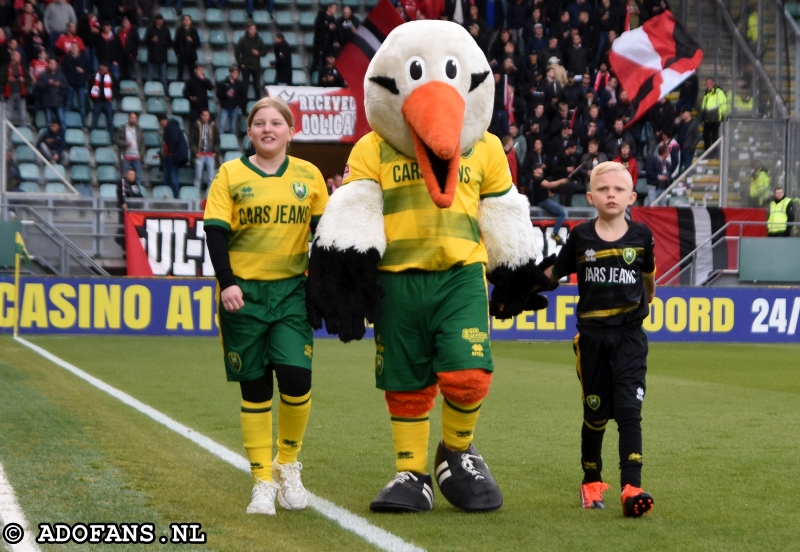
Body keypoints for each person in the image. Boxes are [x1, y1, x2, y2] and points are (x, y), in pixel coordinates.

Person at [202, 96, 329, 516]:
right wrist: (227, 283)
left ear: (291, 131)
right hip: (244, 297)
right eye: (260, 123)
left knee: (296, 379)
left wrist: (326, 287)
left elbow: (325, 236)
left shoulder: (309, 177)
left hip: (292, 293)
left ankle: (287, 464)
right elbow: (216, 232)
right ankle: (261, 481)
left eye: (276, 123)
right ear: (249, 131)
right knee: (255, 388)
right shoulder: (231, 173)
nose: (268, 129)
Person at [543, 161, 656, 518]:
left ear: (631, 197)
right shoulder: (580, 237)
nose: (611, 195)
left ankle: (631, 487)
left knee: (628, 411)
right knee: (595, 415)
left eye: (619, 190)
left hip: (629, 339)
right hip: (591, 339)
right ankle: (592, 480)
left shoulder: (641, 237)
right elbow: (553, 273)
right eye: (604, 189)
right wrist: (521, 284)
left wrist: (646, 301)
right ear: (590, 196)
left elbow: (649, 279)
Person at [529, 161, 567, 246]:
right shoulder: (537, 178)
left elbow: (543, 189)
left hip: (544, 200)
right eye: (539, 167)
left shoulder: (537, 179)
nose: (541, 168)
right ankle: (555, 233)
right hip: (543, 202)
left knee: (562, 209)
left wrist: (548, 193)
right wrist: (562, 181)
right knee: (562, 213)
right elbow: (549, 185)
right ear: (534, 170)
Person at [235, 22, 268, 100]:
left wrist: (258, 53)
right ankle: (243, 106)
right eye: (251, 29)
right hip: (246, 66)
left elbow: (264, 51)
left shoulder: (259, 40)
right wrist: (241, 64)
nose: (253, 31)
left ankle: (259, 104)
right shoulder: (243, 40)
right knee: (245, 87)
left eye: (254, 29)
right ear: (247, 29)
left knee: (257, 87)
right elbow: (236, 53)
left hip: (256, 66)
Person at [159, 114, 189, 198]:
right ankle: (166, 195)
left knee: (172, 176)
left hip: (173, 156)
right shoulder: (169, 127)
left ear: (163, 121)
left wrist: (171, 151)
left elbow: (173, 139)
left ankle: (174, 196)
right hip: (169, 155)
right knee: (167, 176)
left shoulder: (172, 126)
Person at [189, 109, 220, 191]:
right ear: (201, 116)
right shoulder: (196, 125)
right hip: (200, 155)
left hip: (210, 155)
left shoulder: (213, 126)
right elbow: (191, 140)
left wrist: (215, 152)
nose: (206, 117)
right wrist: (195, 152)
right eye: (204, 115)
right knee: (198, 177)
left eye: (207, 115)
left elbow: (217, 140)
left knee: (211, 178)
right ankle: (195, 196)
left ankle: (210, 197)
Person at [113, 111, 145, 184]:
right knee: (124, 176)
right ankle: (123, 191)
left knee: (138, 176)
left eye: (135, 118)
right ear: (128, 118)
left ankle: (137, 192)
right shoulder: (122, 128)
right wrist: (124, 143)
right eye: (131, 117)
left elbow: (142, 142)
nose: (133, 119)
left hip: (136, 157)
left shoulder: (139, 129)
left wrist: (141, 154)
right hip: (126, 156)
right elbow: (116, 139)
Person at [62, 42, 89, 121]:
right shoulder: (66, 58)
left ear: (78, 48)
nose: (73, 48)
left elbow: (89, 69)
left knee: (81, 104)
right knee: (68, 103)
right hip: (70, 83)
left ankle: (82, 122)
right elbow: (63, 71)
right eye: (72, 47)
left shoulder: (84, 57)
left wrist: (83, 71)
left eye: (75, 47)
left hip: (81, 83)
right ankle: (66, 121)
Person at [0, 50, 29, 125]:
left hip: (21, 93)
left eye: (19, 56)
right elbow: (1, 79)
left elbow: (29, 79)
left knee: (22, 115)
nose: (19, 57)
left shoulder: (23, 67)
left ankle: (23, 133)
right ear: (12, 57)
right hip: (9, 93)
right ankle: (6, 135)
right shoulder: (6, 67)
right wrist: (8, 79)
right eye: (17, 55)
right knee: (8, 116)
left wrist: (23, 79)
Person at [36, 56, 66, 126]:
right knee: (49, 121)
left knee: (62, 121)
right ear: (48, 64)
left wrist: (59, 84)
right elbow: (39, 86)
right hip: (47, 101)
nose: (52, 65)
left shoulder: (61, 75)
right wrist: (47, 83)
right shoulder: (43, 75)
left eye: (53, 63)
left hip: (59, 101)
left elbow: (66, 85)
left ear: (56, 65)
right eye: (50, 63)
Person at [216, 65, 246, 135]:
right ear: (231, 73)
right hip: (224, 107)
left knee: (233, 127)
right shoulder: (223, 83)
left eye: (237, 73)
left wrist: (239, 105)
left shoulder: (240, 84)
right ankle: (221, 143)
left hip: (234, 108)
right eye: (234, 73)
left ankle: (232, 142)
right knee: (222, 125)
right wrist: (226, 94)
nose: (236, 75)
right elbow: (218, 94)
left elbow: (243, 96)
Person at [700, 77, 727, 153]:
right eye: (707, 83)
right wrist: (702, 115)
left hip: (716, 118)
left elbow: (723, 104)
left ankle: (715, 152)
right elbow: (703, 105)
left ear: (713, 83)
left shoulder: (719, 92)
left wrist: (722, 115)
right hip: (707, 119)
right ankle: (707, 152)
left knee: (714, 137)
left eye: (709, 83)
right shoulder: (706, 93)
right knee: (705, 136)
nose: (708, 85)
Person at [90, 61, 116, 141]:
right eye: (103, 66)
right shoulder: (95, 75)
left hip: (107, 101)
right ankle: (92, 137)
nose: (104, 68)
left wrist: (112, 97)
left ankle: (111, 137)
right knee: (94, 121)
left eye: (106, 66)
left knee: (110, 122)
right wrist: (93, 99)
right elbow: (90, 86)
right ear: (100, 66)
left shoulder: (111, 76)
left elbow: (115, 87)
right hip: (98, 101)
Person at [144, 14, 171, 91]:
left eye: (160, 19)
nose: (159, 21)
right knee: (149, 76)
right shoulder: (150, 29)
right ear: (155, 20)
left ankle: (165, 91)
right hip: (152, 55)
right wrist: (151, 40)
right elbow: (145, 41)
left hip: (162, 56)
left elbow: (170, 43)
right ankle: (148, 90)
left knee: (163, 76)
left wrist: (162, 42)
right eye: (157, 19)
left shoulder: (166, 30)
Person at [174, 15, 199, 82]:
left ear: (190, 21)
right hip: (182, 55)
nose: (186, 21)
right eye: (185, 19)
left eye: (188, 19)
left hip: (191, 55)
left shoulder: (194, 30)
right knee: (180, 73)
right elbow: (175, 43)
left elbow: (198, 43)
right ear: (182, 21)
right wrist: (178, 54)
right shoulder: (179, 30)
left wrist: (192, 41)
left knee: (192, 73)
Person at [675, 108, 700, 175]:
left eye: (684, 112)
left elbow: (697, 137)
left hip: (687, 150)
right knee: (677, 169)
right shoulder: (680, 123)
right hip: (679, 149)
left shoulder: (694, 124)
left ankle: (688, 184)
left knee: (688, 169)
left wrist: (691, 147)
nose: (682, 114)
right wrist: (675, 124)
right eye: (682, 113)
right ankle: (676, 184)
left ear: (689, 113)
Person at [115, 16, 139, 81]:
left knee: (129, 73)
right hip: (121, 56)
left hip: (129, 56)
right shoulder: (119, 31)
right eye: (123, 21)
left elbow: (137, 43)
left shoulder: (133, 30)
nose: (124, 22)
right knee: (122, 73)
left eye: (126, 21)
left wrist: (133, 53)